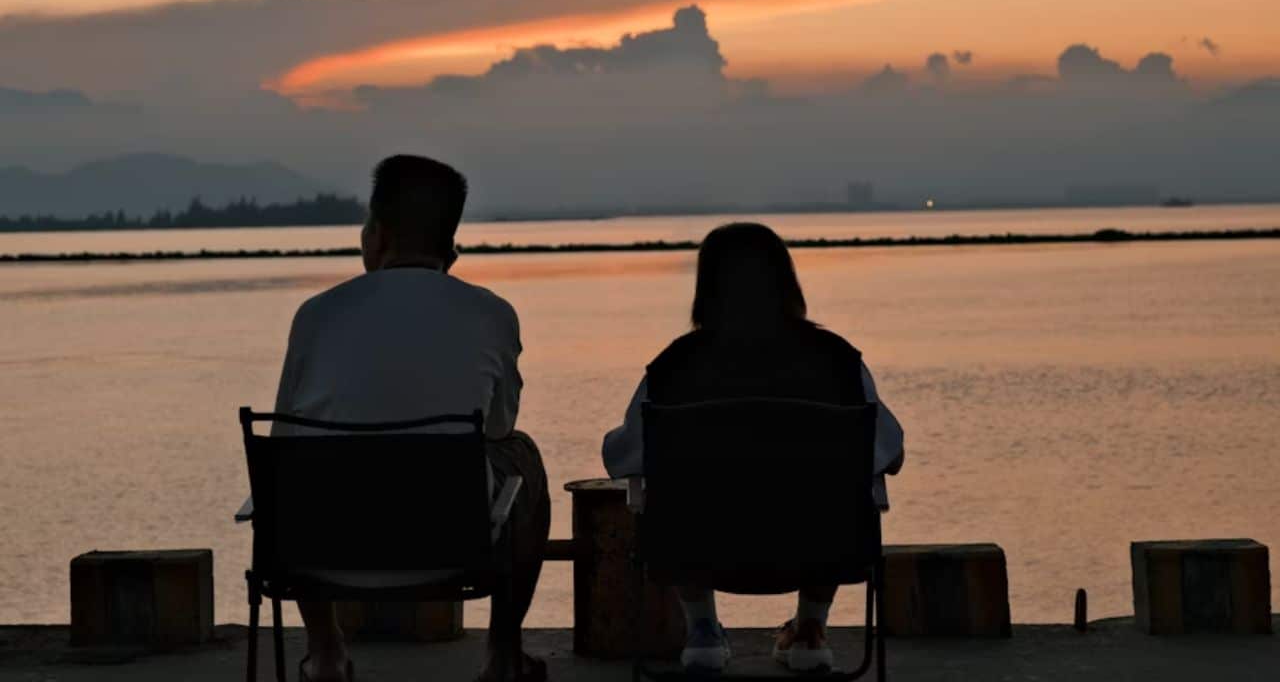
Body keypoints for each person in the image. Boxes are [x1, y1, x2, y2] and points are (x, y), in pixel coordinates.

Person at [271, 155, 550, 682]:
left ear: (377, 234)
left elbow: (283, 438)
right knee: (524, 455)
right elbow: (497, 429)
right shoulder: (491, 313)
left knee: (292, 471)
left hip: (321, 549)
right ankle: (502, 654)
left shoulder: (316, 315)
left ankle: (326, 653)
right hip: (450, 546)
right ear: (451, 248)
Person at [602, 222, 904, 674]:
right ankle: (810, 629)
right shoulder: (838, 361)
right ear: (787, 281)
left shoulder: (674, 366)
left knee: (671, 496)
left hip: (699, 547)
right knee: (835, 494)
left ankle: (703, 629)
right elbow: (889, 453)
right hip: (820, 546)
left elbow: (624, 457)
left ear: (705, 288)